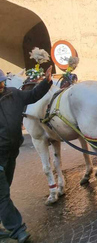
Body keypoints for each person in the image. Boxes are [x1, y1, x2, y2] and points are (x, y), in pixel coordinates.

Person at [0, 66, 52, 242]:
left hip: (11, 153)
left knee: (4, 188)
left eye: (1, 82)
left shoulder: (13, 94)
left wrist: (46, 81)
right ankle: (17, 229)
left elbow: (32, 95)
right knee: (2, 194)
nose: (0, 86)